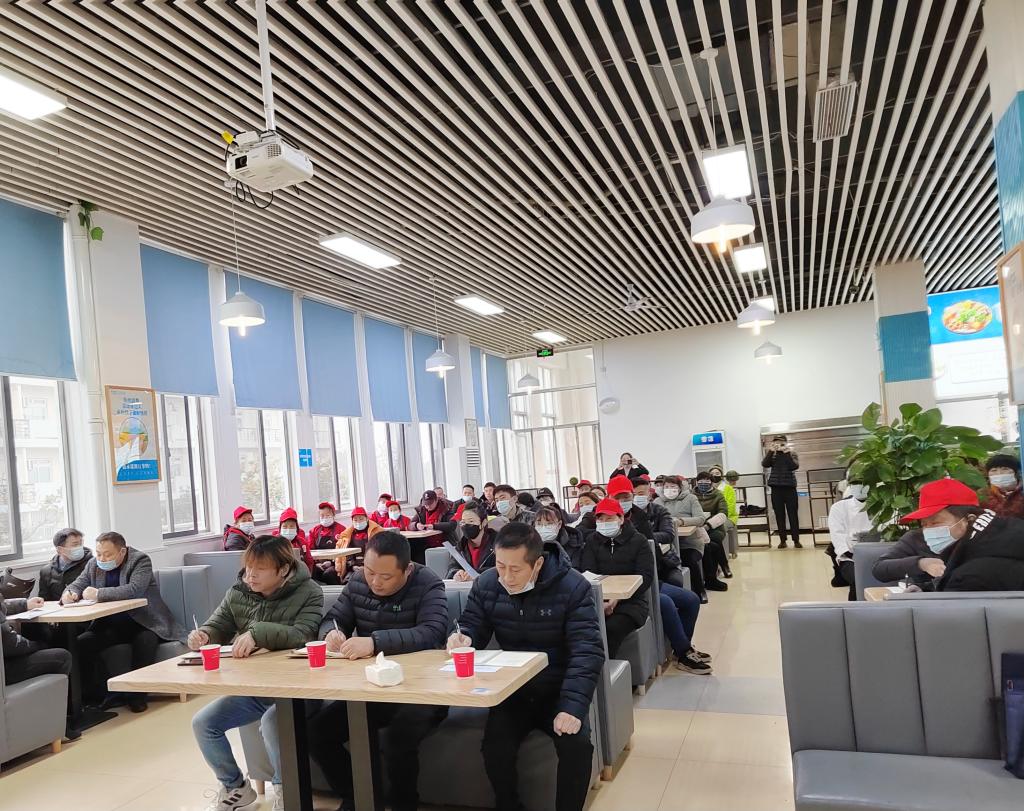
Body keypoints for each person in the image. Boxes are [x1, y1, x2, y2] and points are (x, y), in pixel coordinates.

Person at [448, 523, 603, 811]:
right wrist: (464, 637)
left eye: (515, 569)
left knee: (576, 745)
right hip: (514, 690)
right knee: (495, 747)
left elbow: (587, 650)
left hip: (558, 689)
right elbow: (473, 624)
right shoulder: (487, 583)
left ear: (538, 563)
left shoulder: (573, 587)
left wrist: (572, 707)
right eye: (500, 566)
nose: (506, 577)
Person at [310, 532, 448, 811]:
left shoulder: (428, 583)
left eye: (386, 577)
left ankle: (404, 805)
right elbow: (333, 619)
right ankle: (359, 798)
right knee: (316, 733)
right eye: (370, 572)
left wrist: (374, 642)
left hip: (422, 690)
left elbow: (432, 632)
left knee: (397, 740)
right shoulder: (357, 581)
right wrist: (331, 633)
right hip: (371, 688)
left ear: (407, 570)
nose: (375, 582)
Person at [189, 535, 323, 811]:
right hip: (257, 689)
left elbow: (303, 635)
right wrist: (204, 635)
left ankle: (287, 792)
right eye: (248, 567)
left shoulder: (309, 591)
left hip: (299, 689)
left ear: (283, 570)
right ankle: (236, 788)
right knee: (203, 723)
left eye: (259, 569)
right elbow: (218, 625)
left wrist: (257, 633)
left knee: (273, 722)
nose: (250, 575)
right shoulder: (238, 592)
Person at [63, 531, 183, 712]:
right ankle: (101, 695)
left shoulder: (140, 560)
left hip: (144, 622)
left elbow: (134, 589)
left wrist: (99, 594)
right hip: (110, 624)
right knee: (81, 644)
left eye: (107, 554)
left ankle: (137, 696)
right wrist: (69, 594)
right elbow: (78, 584)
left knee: (145, 641)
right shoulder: (93, 564)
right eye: (99, 553)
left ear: (122, 552)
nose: (102, 558)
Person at [579, 498, 654, 658]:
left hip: (632, 603)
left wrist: (616, 599)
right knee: (582, 629)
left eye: (609, 518)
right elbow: (588, 571)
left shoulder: (638, 540)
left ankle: (606, 670)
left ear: (621, 519)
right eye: (600, 519)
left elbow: (646, 577)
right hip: (598, 600)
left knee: (611, 628)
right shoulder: (592, 541)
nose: (604, 523)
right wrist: (601, 601)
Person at [872, 480, 979, 587]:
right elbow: (879, 569)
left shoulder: (984, 542)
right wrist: (921, 564)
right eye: (924, 524)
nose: (928, 529)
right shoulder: (916, 538)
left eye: (935, 523)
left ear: (969, 520)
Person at [2, 594, 79, 740]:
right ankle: (58, 726)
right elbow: (11, 644)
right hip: (5, 669)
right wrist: (38, 645)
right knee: (62, 657)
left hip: (5, 662)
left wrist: (24, 604)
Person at [656, 475, 711, 601]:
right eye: (666, 487)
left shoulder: (690, 498)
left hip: (690, 543)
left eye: (673, 486)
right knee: (663, 564)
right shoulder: (657, 502)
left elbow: (701, 519)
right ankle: (671, 595)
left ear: (680, 488)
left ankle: (699, 591)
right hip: (668, 546)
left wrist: (681, 521)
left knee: (689, 559)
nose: (669, 489)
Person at [827, 480, 874, 600]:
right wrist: (856, 556)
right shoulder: (839, 508)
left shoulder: (884, 506)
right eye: (855, 483)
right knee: (859, 578)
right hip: (850, 558)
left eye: (863, 482)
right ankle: (856, 609)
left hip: (880, 555)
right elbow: (838, 537)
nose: (860, 487)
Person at [694, 471, 732, 585]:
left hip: (715, 526)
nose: (703, 483)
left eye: (707, 480)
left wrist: (708, 525)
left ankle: (723, 566)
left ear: (711, 482)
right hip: (697, 526)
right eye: (701, 480)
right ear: (697, 482)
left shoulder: (718, 494)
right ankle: (715, 571)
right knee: (708, 545)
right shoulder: (691, 495)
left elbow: (723, 513)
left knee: (714, 541)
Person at [763, 435, 801, 548]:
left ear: (785, 443)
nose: (778, 444)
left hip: (790, 488)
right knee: (779, 515)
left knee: (793, 514)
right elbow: (765, 464)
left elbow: (793, 466)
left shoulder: (791, 453)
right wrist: (771, 451)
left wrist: (786, 453)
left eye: (781, 442)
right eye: (776, 442)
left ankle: (796, 540)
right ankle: (782, 540)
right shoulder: (772, 454)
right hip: (776, 488)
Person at [37, 527, 93, 602]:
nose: (80, 547)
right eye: (75, 544)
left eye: (81, 543)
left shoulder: (91, 564)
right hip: (58, 608)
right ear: (60, 549)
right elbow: (44, 601)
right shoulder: (46, 571)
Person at [448, 500, 497, 581]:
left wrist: (476, 574)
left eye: (471, 521)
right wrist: (456, 573)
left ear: (484, 523)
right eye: (463, 522)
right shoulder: (461, 546)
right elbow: (451, 568)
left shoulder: (497, 543)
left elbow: (500, 569)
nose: (466, 525)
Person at [332, 507, 383, 582]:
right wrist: (352, 566)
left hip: (372, 568)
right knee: (348, 581)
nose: (358, 522)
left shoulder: (377, 532)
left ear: (367, 519)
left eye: (361, 519)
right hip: (353, 567)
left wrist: (366, 567)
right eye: (355, 520)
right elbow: (345, 554)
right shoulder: (347, 535)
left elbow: (381, 553)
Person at [535, 504, 585, 570]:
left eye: (549, 524)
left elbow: (575, 569)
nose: (543, 528)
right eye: (539, 524)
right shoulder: (529, 545)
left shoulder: (574, 543)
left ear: (559, 524)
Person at [308, 502, 346, 585]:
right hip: (318, 563)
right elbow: (309, 550)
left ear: (333, 515)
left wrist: (331, 562)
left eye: (327, 515)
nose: (324, 518)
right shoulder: (314, 531)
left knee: (329, 574)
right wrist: (316, 563)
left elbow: (344, 550)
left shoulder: (342, 530)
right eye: (322, 515)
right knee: (311, 572)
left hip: (335, 564)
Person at [981, 453, 1024, 519]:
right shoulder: (982, 494)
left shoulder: (1022, 492)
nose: (999, 473)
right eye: (994, 470)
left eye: (1005, 469)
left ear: (1016, 472)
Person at [272, 507, 313, 573]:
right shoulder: (274, 542)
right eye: (285, 526)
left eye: (292, 526)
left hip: (300, 574)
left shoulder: (302, 542)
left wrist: (308, 575)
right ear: (280, 528)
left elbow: (309, 561)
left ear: (296, 528)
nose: (288, 529)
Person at [711, 467, 740, 559]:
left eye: (717, 473)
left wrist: (718, 518)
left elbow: (730, 507)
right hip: (711, 518)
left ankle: (723, 556)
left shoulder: (728, 488)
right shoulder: (708, 489)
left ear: (721, 475)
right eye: (712, 473)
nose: (714, 475)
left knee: (719, 529)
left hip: (728, 517)